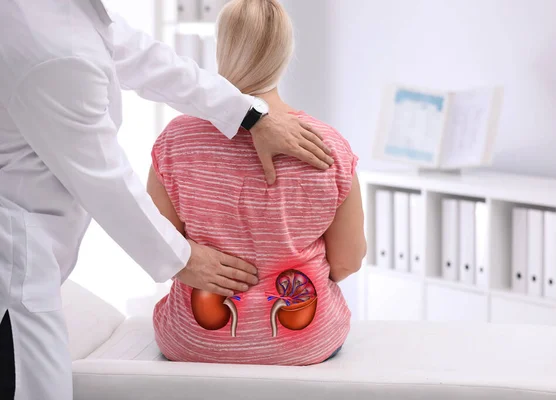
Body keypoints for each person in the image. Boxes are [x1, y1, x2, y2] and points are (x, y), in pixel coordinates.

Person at [0, 0, 335, 399]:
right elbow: (106, 183)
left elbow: (146, 59)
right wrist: (184, 258)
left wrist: (249, 114)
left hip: (187, 338)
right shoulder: (333, 150)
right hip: (16, 256)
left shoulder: (175, 141)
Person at [150, 0, 366, 366]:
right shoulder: (327, 147)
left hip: (193, 345)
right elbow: (348, 261)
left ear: (221, 48)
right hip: (306, 345)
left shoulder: (175, 140)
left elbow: (157, 243)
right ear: (285, 53)